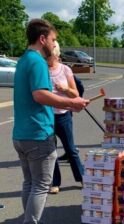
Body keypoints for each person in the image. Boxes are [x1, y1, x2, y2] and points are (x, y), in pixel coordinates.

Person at [12, 19, 89, 224]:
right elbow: (40, 95)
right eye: (53, 40)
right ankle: (32, 222)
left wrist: (71, 102)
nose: (55, 45)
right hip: (38, 134)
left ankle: (30, 220)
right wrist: (73, 103)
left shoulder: (23, 60)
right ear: (42, 39)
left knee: (30, 182)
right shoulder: (37, 62)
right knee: (40, 185)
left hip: (21, 134)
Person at [47, 41, 84, 194]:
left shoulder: (65, 69)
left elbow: (75, 93)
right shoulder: (41, 70)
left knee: (70, 149)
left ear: (57, 55)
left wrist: (65, 89)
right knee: (51, 152)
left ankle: (82, 178)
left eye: (50, 55)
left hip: (63, 116)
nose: (48, 58)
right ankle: (55, 183)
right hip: (47, 116)